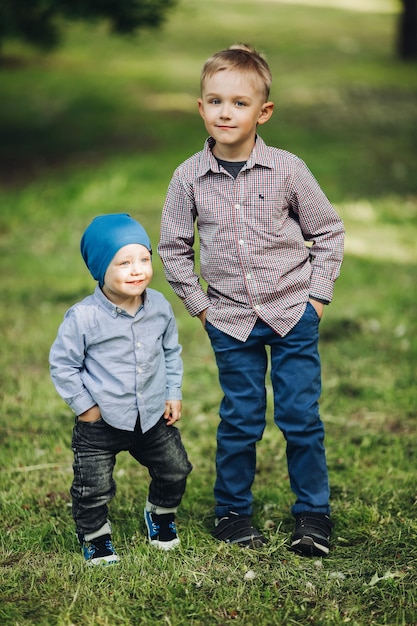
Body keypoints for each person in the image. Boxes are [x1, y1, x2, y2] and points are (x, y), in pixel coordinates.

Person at [158, 44, 344, 557]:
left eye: (239, 103)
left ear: (263, 112)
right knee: (240, 418)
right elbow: (173, 248)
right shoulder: (187, 177)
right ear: (201, 107)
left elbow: (328, 231)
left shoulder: (288, 169)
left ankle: (312, 513)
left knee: (301, 417)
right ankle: (233, 512)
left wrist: (317, 298)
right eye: (215, 101)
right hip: (230, 319)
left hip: (292, 313)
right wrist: (200, 305)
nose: (225, 111)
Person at [50, 213, 192, 566]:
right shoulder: (83, 318)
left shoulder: (158, 306)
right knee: (92, 487)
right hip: (101, 422)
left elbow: (171, 352)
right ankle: (95, 538)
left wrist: (172, 392)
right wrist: (87, 408)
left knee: (175, 468)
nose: (137, 270)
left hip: (152, 415)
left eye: (144, 259)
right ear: (100, 268)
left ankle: (160, 514)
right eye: (123, 262)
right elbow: (63, 365)